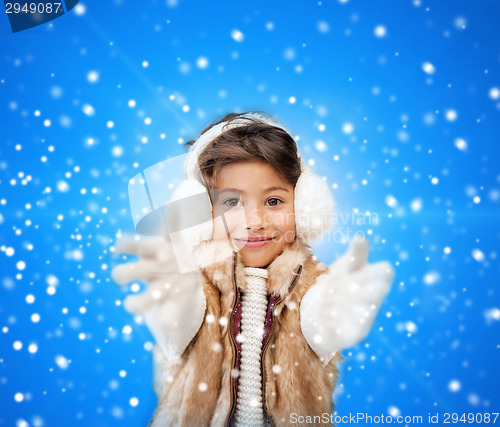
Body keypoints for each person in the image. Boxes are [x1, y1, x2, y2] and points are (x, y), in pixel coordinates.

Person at [112, 112, 394, 426]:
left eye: (274, 201)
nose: (255, 221)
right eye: (231, 202)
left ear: (304, 206)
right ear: (203, 211)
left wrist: (338, 306)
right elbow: (178, 322)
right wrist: (174, 283)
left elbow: (320, 319)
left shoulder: (311, 288)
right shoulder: (196, 285)